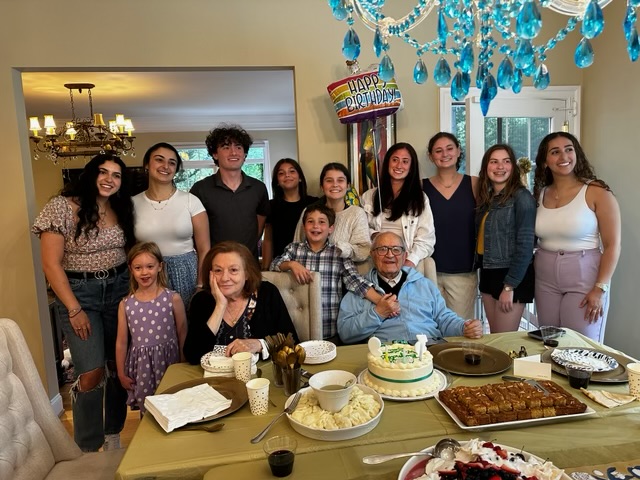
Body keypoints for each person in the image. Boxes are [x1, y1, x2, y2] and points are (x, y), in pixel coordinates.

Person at [31, 153, 135, 452]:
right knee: (90, 371)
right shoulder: (61, 207)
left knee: (117, 365)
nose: (109, 179)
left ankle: (114, 432)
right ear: (90, 174)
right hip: (80, 293)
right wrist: (74, 308)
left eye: (116, 175)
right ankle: (87, 446)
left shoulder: (120, 207)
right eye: (103, 172)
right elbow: (51, 265)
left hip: (118, 290)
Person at [533, 132, 621, 342]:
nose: (563, 156)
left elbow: (612, 245)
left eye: (569, 149)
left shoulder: (596, 191)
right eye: (555, 152)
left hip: (584, 276)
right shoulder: (540, 193)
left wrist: (600, 288)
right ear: (545, 162)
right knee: (550, 342)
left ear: (577, 154)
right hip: (545, 278)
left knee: (580, 346)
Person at [337, 232, 483, 344]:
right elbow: (345, 333)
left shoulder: (424, 284)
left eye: (396, 250)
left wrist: (464, 327)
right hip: (385, 355)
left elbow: (444, 319)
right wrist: (378, 313)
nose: (390, 255)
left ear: (404, 255)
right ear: (372, 255)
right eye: (382, 249)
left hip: (428, 350)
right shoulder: (359, 290)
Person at [271, 204, 382, 342]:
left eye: (322, 222)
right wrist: (291, 264)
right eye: (310, 221)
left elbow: (356, 282)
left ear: (331, 229)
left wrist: (380, 301)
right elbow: (274, 265)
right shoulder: (294, 250)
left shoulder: (338, 253)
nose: (315, 226)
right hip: (297, 330)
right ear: (304, 227)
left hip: (331, 331)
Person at [183, 241, 298, 364]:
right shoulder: (201, 301)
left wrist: (259, 344)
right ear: (210, 274)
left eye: (233, 270)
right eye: (218, 270)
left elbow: (292, 342)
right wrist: (220, 306)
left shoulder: (267, 293)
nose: (224, 278)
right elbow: (193, 356)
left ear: (247, 273)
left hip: (259, 378)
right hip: (214, 379)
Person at [133, 142, 210, 304]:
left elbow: (204, 249)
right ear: (147, 164)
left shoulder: (191, 201)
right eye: (159, 160)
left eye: (172, 162)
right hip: (147, 273)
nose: (165, 166)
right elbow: (129, 248)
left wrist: (201, 284)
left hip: (186, 274)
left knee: (186, 325)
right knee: (151, 324)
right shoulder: (132, 204)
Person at [115, 242, 187, 414]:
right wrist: (120, 373)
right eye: (138, 267)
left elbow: (182, 333)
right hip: (142, 369)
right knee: (148, 412)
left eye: (150, 266)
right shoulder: (126, 304)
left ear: (160, 267)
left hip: (170, 364)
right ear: (131, 269)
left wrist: (184, 364)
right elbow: (121, 342)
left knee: (174, 407)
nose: (144, 272)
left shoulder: (173, 299)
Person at [476, 144, 536, 333]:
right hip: (488, 273)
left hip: (511, 277)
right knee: (495, 338)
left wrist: (509, 287)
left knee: (504, 341)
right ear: (486, 167)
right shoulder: (487, 199)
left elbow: (525, 245)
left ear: (513, 167)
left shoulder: (522, 197)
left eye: (506, 161)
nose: (500, 167)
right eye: (494, 162)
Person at [190, 124, 270, 259]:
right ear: (215, 154)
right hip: (215, 267)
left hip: (249, 266)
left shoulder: (258, 188)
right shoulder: (200, 189)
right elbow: (196, 236)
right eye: (226, 147)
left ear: (244, 154)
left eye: (238, 147)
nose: (233, 152)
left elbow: (258, 228)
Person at [423, 132, 479, 320]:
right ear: (431, 156)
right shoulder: (421, 187)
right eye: (438, 151)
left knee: (461, 330)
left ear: (458, 151)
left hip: (463, 273)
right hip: (428, 271)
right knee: (430, 329)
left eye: (449, 148)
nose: (444, 154)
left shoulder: (474, 183)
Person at [360, 142, 435, 267]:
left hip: (406, 262)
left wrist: (409, 262)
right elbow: (359, 230)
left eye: (405, 161)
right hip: (374, 261)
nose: (399, 165)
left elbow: (426, 239)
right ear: (388, 162)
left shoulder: (420, 199)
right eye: (395, 160)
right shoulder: (369, 196)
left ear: (411, 167)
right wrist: (374, 235)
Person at [294, 163, 370, 262]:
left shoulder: (357, 213)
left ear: (348, 186)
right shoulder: (309, 212)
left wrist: (339, 249)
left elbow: (364, 251)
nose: (335, 185)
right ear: (322, 186)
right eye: (329, 181)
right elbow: (296, 244)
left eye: (340, 180)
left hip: (346, 272)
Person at [261, 158, 318, 269]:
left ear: (300, 177)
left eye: (292, 171)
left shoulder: (314, 203)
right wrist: (265, 268)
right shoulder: (271, 206)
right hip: (281, 265)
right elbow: (268, 239)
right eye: (281, 173)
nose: (287, 175)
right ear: (277, 181)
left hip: (309, 264)